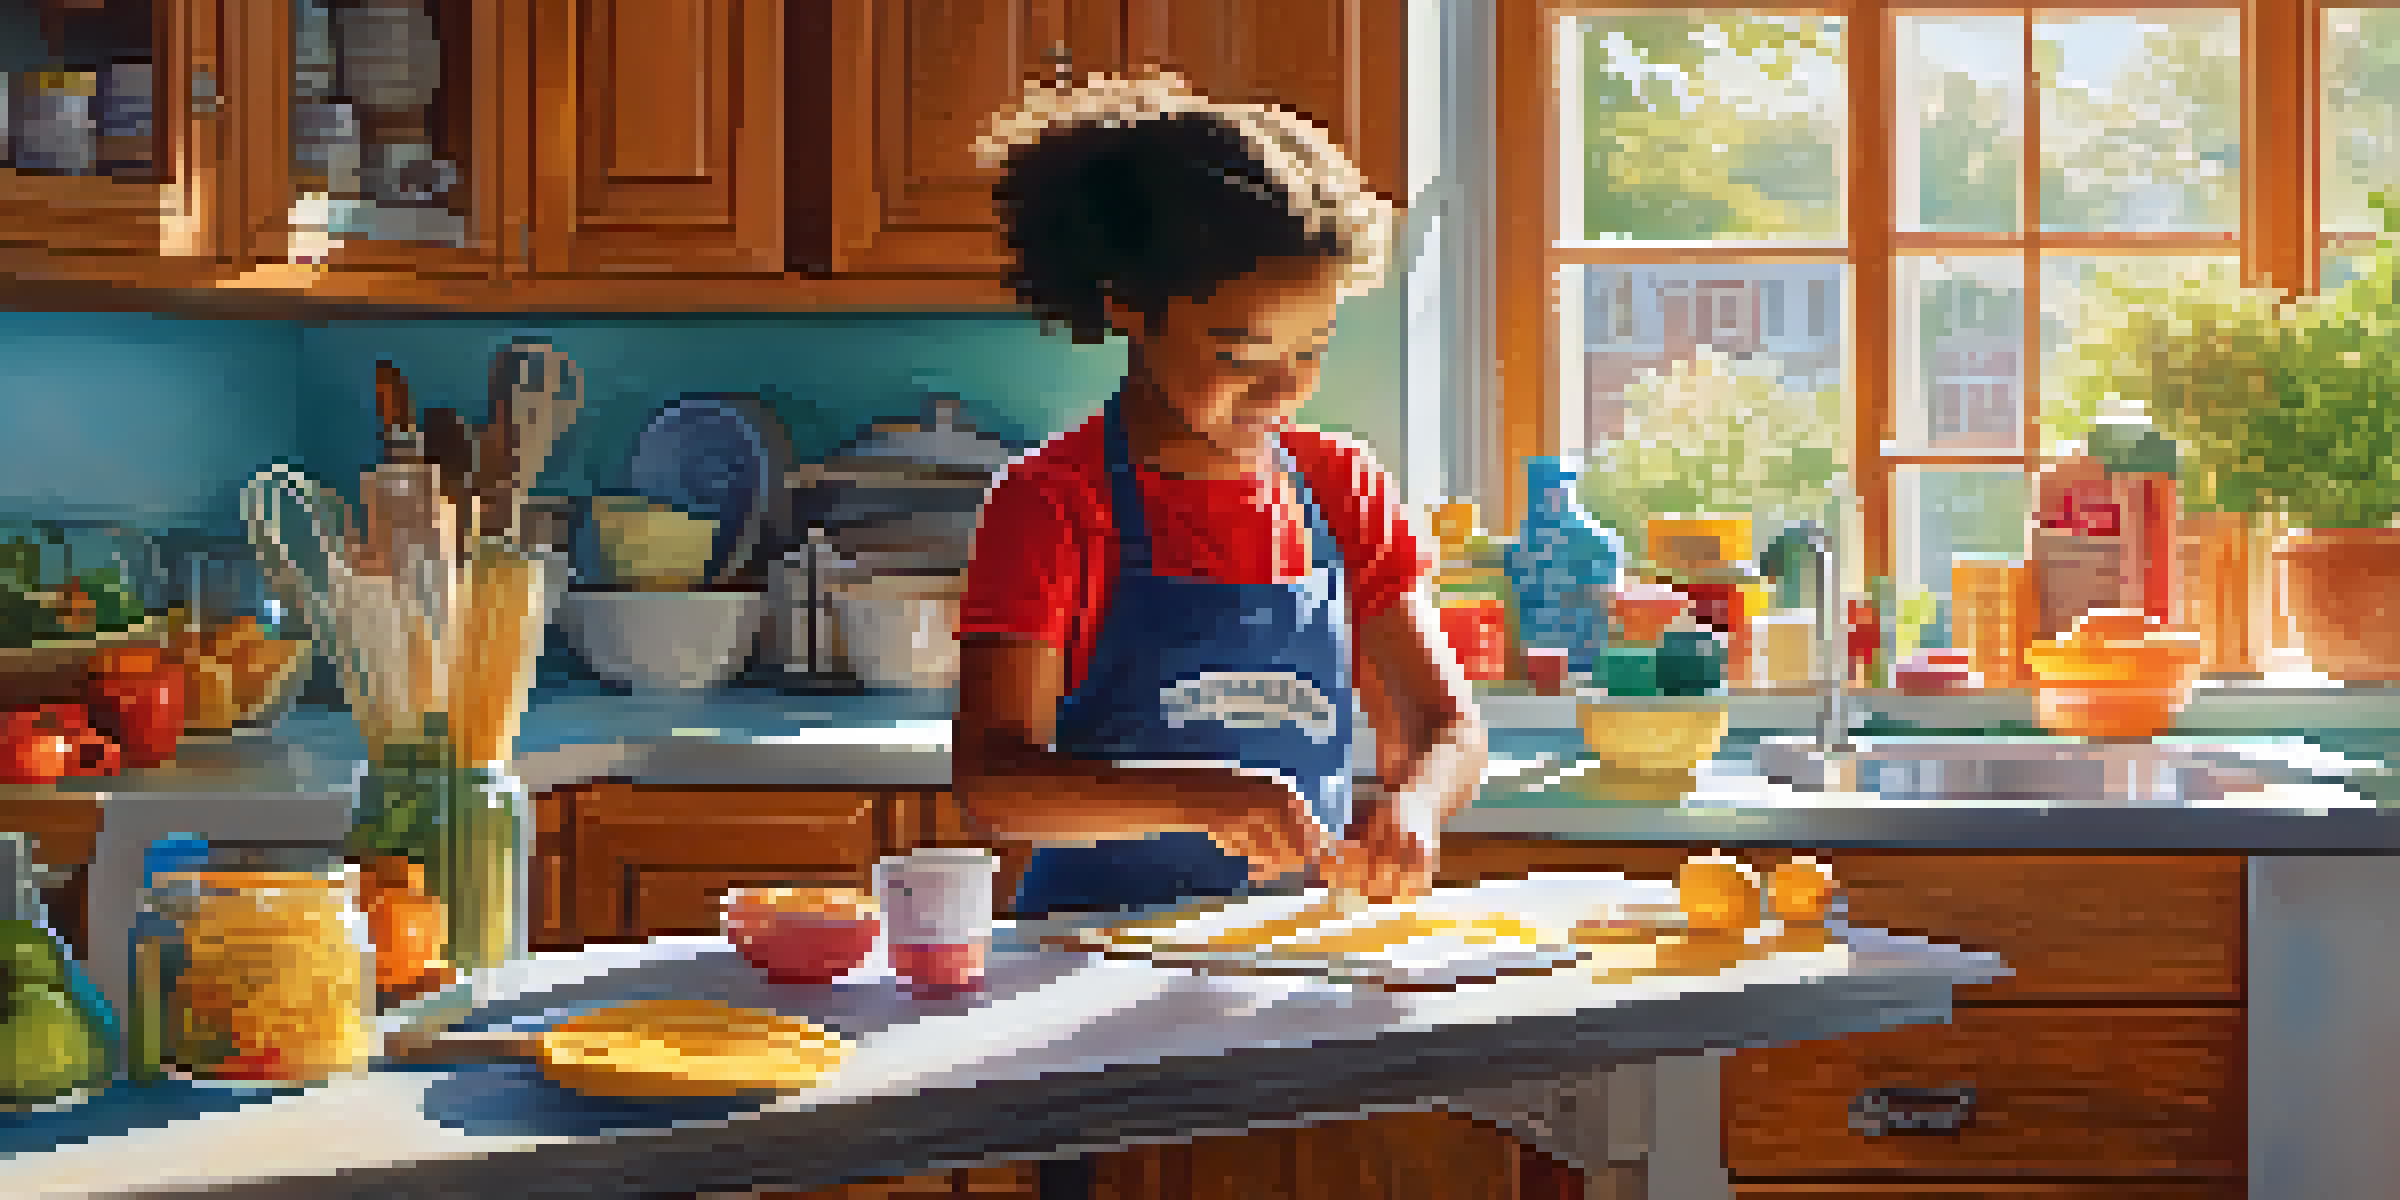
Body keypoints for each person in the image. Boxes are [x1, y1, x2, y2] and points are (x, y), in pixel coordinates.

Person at [954, 71, 1488, 920]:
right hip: (1087, 956)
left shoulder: (1343, 490)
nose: (1280, 389)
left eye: (1311, 349)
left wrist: (1417, 807)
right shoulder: (1051, 504)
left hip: (1292, 949)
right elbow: (996, 784)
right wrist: (1204, 797)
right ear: (1127, 306)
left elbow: (1444, 730)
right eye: (1239, 355)